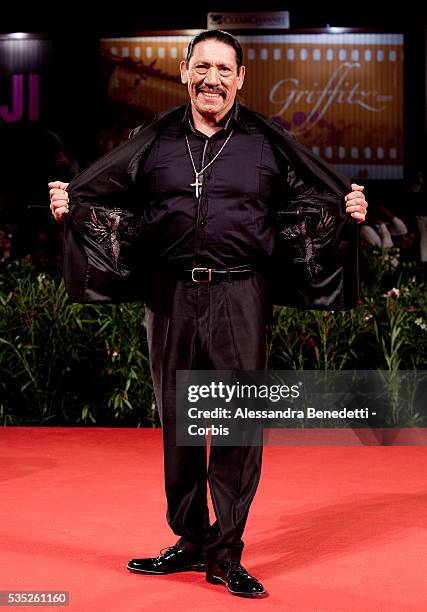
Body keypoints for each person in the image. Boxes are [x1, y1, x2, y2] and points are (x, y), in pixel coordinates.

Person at [49, 30, 368, 598]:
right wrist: (70, 204)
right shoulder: (152, 142)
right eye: (202, 67)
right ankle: (191, 539)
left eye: (224, 68)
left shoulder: (266, 145)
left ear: (240, 78)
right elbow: (110, 199)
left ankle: (226, 553)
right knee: (181, 426)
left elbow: (311, 203)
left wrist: (346, 210)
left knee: (237, 428)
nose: (212, 78)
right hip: (169, 297)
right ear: (184, 71)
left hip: (241, 296)